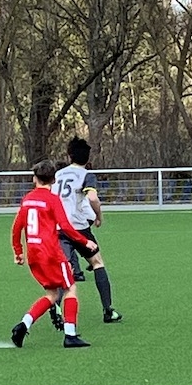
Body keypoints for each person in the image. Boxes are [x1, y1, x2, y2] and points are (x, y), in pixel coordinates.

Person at [10, 159, 98, 349]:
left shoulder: (27, 199)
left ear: (35, 178)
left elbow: (17, 227)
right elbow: (65, 226)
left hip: (34, 254)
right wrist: (85, 241)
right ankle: (70, 335)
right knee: (70, 288)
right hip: (51, 254)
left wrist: (18, 251)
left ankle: (23, 325)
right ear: (54, 180)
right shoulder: (52, 199)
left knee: (52, 294)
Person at [54, 137, 122, 323]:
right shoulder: (86, 175)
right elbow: (92, 198)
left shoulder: (58, 174)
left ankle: (56, 307)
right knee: (97, 262)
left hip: (59, 227)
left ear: (69, 156)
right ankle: (108, 311)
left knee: (64, 268)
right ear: (88, 157)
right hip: (79, 228)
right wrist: (99, 216)